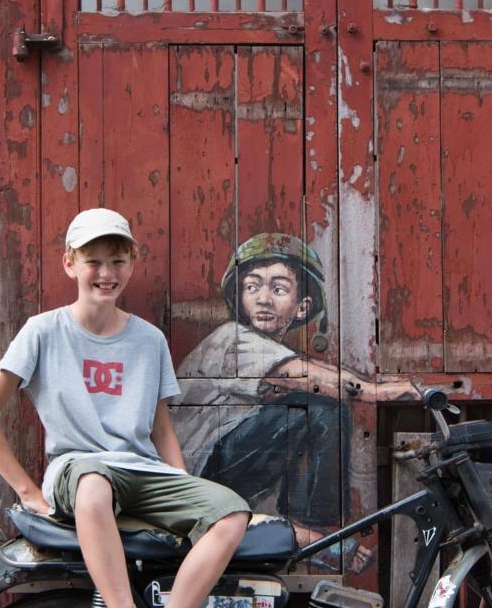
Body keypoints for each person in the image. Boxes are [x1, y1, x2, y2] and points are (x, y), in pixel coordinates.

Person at [0, 207, 250, 608]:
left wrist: (183, 489)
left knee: (231, 512)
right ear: (69, 264)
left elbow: (160, 429)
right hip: (78, 468)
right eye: (93, 261)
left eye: (117, 261)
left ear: (132, 264)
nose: (106, 273)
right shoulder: (42, 331)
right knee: (94, 484)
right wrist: (28, 492)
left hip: (143, 472)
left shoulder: (148, 339)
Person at [173, 233, 409, 548]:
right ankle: (309, 533)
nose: (263, 298)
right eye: (252, 287)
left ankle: (299, 532)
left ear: (302, 307)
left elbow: (309, 371)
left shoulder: (264, 348)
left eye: (279, 289)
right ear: (240, 297)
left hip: (211, 472)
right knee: (318, 410)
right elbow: (308, 377)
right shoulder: (232, 338)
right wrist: (377, 391)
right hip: (193, 475)